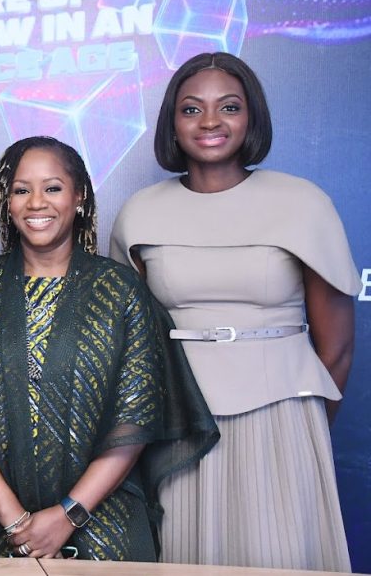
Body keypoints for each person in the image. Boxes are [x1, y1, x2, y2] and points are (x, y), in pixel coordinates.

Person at [110, 52, 357, 571]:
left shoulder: (302, 203)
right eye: (191, 109)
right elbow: (128, 347)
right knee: (185, 556)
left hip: (280, 421)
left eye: (229, 106)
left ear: (251, 117)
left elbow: (336, 348)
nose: (210, 122)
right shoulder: (139, 212)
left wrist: (301, 428)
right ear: (172, 122)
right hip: (180, 427)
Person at [0, 136, 215, 560]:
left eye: (53, 188)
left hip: (103, 518)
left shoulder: (120, 292)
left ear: (79, 196)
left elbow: (134, 420)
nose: (36, 203)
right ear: (7, 202)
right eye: (21, 190)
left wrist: (68, 515)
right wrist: (16, 523)